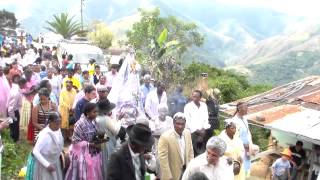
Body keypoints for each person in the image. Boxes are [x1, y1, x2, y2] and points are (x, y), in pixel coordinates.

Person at [65, 103, 103, 180]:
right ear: (87, 113)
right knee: (84, 175)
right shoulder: (80, 123)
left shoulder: (95, 121)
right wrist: (90, 144)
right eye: (94, 112)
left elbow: (99, 134)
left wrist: (101, 141)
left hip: (95, 153)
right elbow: (75, 141)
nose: (96, 114)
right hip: (83, 155)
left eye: (97, 112)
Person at [158, 112, 194, 180]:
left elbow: (190, 152)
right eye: (178, 123)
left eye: (182, 124)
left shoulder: (187, 133)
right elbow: (163, 159)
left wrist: (190, 167)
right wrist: (168, 176)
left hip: (186, 170)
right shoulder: (165, 137)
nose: (180, 126)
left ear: (185, 124)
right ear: (173, 123)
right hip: (172, 173)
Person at [96, 99, 126, 179]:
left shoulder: (96, 118)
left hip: (98, 143)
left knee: (100, 164)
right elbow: (116, 130)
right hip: (107, 144)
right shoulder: (106, 119)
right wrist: (119, 120)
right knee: (108, 163)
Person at [32, 112, 64, 180]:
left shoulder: (58, 130)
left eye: (60, 123)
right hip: (45, 164)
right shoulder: (45, 135)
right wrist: (47, 164)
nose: (59, 126)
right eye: (57, 124)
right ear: (50, 122)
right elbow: (35, 151)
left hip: (55, 162)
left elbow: (58, 143)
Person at [184, 90, 210, 156]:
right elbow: (187, 121)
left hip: (203, 132)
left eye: (197, 97)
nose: (195, 98)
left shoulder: (204, 105)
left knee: (203, 153)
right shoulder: (188, 106)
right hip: (193, 133)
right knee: (193, 152)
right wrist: (197, 131)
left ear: (200, 97)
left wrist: (203, 129)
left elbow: (206, 118)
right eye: (194, 96)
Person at [230, 102, 253, 176]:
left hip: (247, 149)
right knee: (240, 170)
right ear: (239, 109)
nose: (247, 109)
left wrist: (250, 145)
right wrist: (243, 145)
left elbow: (248, 133)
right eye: (245, 108)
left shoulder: (245, 119)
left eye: (247, 107)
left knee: (246, 168)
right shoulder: (234, 121)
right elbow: (233, 137)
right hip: (239, 149)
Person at [7, 76, 26, 142]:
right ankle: (13, 141)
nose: (25, 85)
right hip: (12, 113)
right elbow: (10, 108)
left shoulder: (17, 89)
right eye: (24, 84)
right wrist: (13, 117)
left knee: (15, 126)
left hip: (14, 111)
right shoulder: (16, 93)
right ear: (21, 83)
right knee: (13, 127)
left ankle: (16, 140)